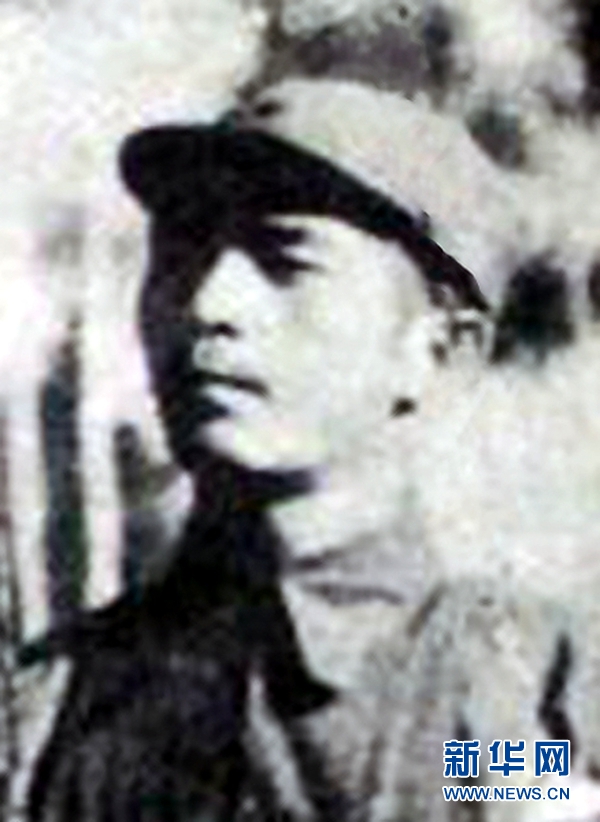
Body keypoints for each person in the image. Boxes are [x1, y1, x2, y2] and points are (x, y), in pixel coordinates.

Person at [22, 77, 585, 822]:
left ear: (437, 353)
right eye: (183, 250)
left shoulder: (518, 709)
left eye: (287, 261)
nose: (209, 304)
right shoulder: (48, 715)